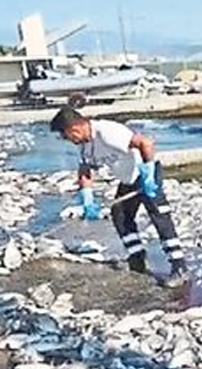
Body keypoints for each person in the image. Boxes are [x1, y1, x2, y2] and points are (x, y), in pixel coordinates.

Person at [49, 106, 188, 288]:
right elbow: (85, 171)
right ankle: (137, 258)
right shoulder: (85, 145)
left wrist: (148, 174)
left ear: (74, 128)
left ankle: (179, 267)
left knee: (160, 217)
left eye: (65, 135)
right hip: (128, 180)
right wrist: (87, 199)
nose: (66, 139)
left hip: (145, 175)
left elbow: (145, 143)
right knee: (120, 215)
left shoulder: (107, 132)